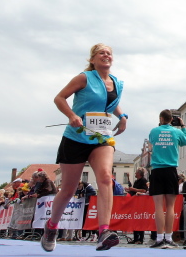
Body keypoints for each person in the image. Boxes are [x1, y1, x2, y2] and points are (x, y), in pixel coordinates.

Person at [41, 43, 127, 252]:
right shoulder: (84, 78)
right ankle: (51, 227)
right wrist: (72, 115)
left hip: (101, 137)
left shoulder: (116, 82)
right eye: (101, 53)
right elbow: (59, 98)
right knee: (68, 190)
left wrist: (122, 116)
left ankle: (104, 232)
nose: (106, 55)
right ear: (93, 59)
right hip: (76, 137)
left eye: (109, 53)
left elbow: (110, 101)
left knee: (105, 177)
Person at [148, 109, 186, 249]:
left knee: (158, 206)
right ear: (172, 119)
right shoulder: (176, 131)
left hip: (157, 170)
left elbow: (152, 142)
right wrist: (183, 126)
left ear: (161, 118)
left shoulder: (154, 131)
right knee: (170, 206)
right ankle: (169, 237)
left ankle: (159, 238)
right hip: (171, 170)